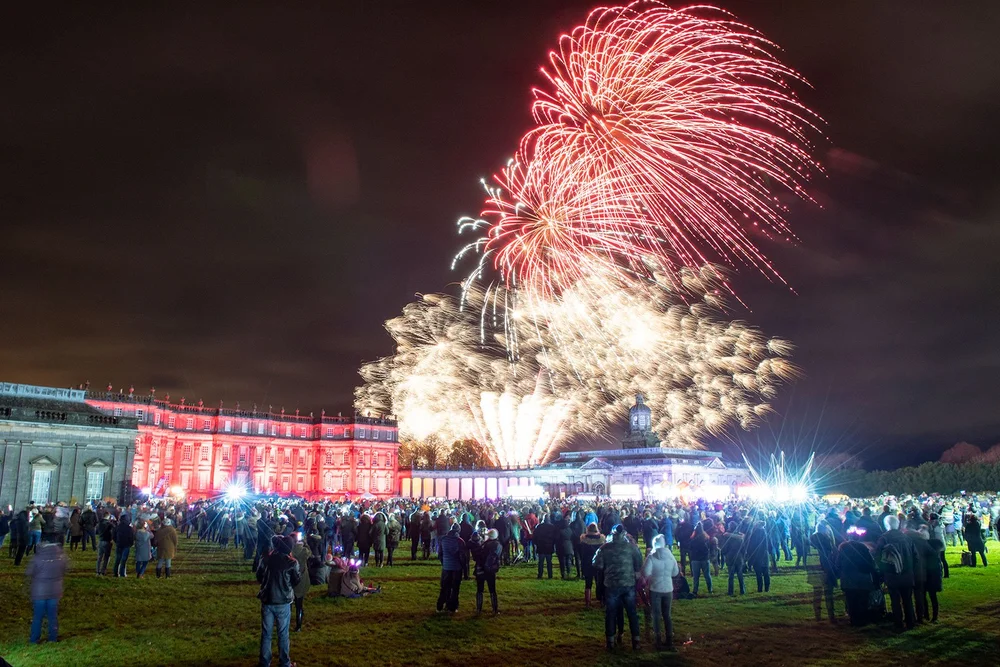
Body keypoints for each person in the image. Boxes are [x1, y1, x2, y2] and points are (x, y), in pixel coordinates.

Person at [594, 524, 643, 652]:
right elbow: (639, 562)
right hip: (628, 583)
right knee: (632, 613)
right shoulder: (631, 548)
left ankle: (610, 641)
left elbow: (597, 564)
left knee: (611, 613)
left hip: (611, 584)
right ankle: (636, 640)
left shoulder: (605, 548)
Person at [256, 535, 301, 667]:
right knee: (282, 634)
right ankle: (284, 662)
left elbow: (259, 576)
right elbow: (296, 581)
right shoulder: (292, 563)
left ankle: (264, 662)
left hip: (268, 600)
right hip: (283, 601)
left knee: (266, 634)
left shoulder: (265, 559)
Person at [25, 532, 70, 644]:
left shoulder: (38, 557)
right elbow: (65, 570)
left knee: (38, 616)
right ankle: (53, 638)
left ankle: (34, 639)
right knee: (52, 615)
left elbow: (29, 572)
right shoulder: (62, 557)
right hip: (55, 590)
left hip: (39, 591)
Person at [876, 515, 917, 631]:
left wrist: (884, 570)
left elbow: (878, 558)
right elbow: (915, 556)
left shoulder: (884, 539)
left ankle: (898, 623)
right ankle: (910, 622)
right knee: (907, 600)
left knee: (895, 600)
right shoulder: (907, 538)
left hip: (892, 575)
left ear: (886, 525)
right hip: (907, 574)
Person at [643, 534, 679, 651]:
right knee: (667, 615)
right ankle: (669, 640)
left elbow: (645, 572)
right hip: (668, 589)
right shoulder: (671, 556)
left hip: (655, 588)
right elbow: (675, 572)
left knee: (656, 615)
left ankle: (657, 641)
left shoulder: (652, 557)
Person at [837, 527, 878, 626]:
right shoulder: (863, 547)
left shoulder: (842, 547)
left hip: (848, 578)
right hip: (863, 578)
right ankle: (862, 619)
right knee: (862, 599)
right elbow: (871, 563)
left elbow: (837, 563)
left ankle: (854, 620)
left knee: (851, 600)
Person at [809, 521, 839, 622]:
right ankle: (831, 615)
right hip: (826, 570)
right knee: (828, 594)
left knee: (817, 594)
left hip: (814, 570)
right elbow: (829, 558)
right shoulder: (826, 541)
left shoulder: (812, 540)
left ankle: (818, 616)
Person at [436, 523, 466, 613]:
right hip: (456, 568)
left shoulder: (443, 539)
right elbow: (462, 556)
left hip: (446, 567)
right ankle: (452, 607)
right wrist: (463, 566)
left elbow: (440, 554)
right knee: (455, 588)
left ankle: (440, 606)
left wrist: (444, 563)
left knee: (445, 587)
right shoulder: (460, 541)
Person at [474, 528, 503, 615]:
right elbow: (492, 557)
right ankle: (495, 609)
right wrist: (488, 567)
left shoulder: (483, 544)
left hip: (480, 569)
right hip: (489, 570)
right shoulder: (497, 545)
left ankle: (479, 609)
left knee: (480, 590)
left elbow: (476, 556)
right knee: (492, 590)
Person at [579, 523, 605, 608]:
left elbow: (581, 553)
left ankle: (587, 602)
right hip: (598, 563)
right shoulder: (601, 540)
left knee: (588, 583)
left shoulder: (584, 540)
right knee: (600, 582)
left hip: (587, 563)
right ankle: (601, 600)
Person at [718, 522, 746, 596]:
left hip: (730, 557)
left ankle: (730, 591)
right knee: (740, 574)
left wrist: (724, 553)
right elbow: (743, 549)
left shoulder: (727, 537)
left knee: (731, 576)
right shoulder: (740, 537)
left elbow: (724, 548)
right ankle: (742, 590)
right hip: (739, 557)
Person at [291, 534, 311, 632]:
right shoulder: (304, 551)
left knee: (289, 603)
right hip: (302, 578)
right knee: (299, 604)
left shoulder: (290, 551)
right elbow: (310, 553)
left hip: (291, 579)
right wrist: (306, 544)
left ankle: (286, 621)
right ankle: (298, 624)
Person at [688, 523, 713, 596]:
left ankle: (695, 590)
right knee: (707, 575)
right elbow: (709, 547)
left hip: (695, 559)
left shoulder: (693, 539)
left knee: (696, 576)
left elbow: (690, 548)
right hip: (705, 559)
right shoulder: (706, 538)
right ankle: (710, 589)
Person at [533, 514, 557, 580]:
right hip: (549, 547)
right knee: (549, 562)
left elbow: (534, 536)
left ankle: (540, 575)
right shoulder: (552, 527)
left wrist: (536, 543)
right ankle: (550, 575)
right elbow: (555, 538)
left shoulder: (539, 527)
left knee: (541, 562)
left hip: (541, 547)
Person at [113, 513, 134, 577]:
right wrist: (131, 544)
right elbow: (131, 537)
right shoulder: (129, 528)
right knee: (124, 560)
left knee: (117, 559)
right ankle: (122, 573)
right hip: (126, 545)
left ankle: (116, 573)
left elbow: (114, 536)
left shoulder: (117, 527)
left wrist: (116, 541)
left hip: (119, 544)